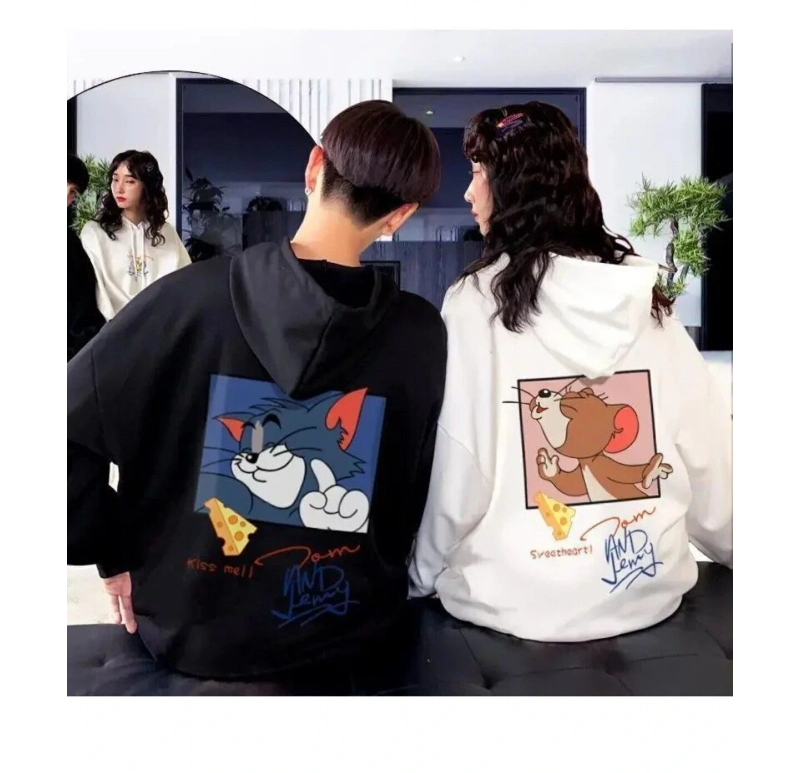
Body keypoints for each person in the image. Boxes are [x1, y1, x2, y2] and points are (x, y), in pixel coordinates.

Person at [65, 100, 446, 679]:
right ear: (401, 216)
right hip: (354, 633)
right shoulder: (420, 335)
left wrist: (108, 550)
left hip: (191, 632)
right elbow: (412, 495)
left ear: (313, 167)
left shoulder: (185, 300)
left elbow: (64, 424)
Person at [409, 101, 734, 642]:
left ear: (512, 187)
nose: (468, 193)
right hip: (644, 592)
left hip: (508, 601)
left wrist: (419, 575)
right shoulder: (641, 296)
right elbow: (704, 446)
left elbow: (460, 465)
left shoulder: (477, 302)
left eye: (478, 172)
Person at [80, 150, 191, 320]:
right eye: (115, 179)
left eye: (130, 181)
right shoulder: (95, 232)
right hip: (112, 328)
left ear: (147, 186)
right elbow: (94, 294)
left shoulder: (165, 232)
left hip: (160, 327)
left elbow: (185, 282)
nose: (119, 188)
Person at [65, 155, 105, 361]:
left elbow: (80, 299)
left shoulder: (69, 241)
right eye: (70, 190)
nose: (67, 199)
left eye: (73, 193)